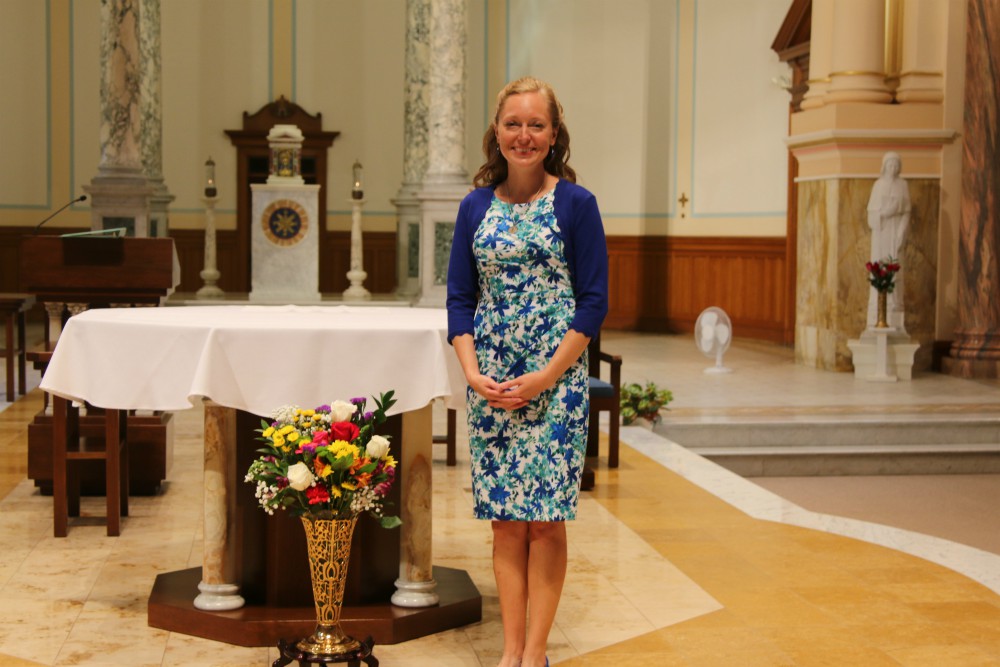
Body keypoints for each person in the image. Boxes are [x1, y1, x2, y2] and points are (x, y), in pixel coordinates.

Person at [446, 77, 608, 667]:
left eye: (536, 124)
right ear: (496, 133)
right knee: (505, 524)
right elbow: (459, 299)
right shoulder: (474, 206)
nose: (524, 135)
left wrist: (544, 377)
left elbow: (592, 303)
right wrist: (471, 372)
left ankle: (534, 653)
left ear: (554, 134)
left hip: (555, 381)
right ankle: (510, 650)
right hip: (492, 383)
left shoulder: (576, 204)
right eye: (513, 123)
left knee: (544, 523)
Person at [866, 151, 911, 330]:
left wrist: (901, 232)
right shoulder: (878, 185)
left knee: (895, 268)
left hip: (895, 231)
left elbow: (907, 211)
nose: (892, 168)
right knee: (880, 264)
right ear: (884, 167)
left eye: (895, 165)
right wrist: (884, 213)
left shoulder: (903, 185)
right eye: (889, 165)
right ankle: (876, 309)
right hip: (881, 231)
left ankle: (894, 306)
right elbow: (871, 213)